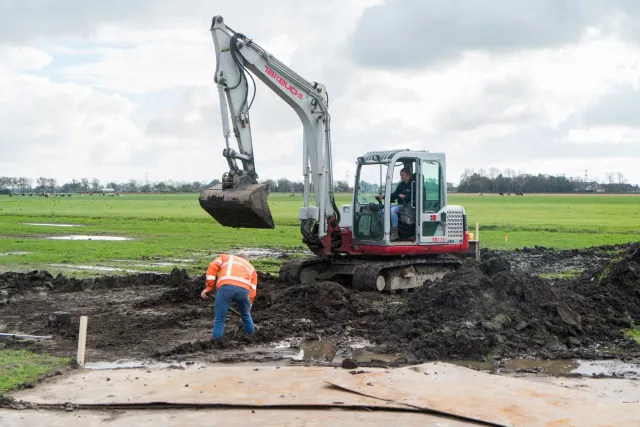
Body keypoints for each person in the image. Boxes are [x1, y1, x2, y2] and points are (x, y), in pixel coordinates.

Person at [200, 254, 257, 340]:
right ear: (246, 260)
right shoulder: (251, 268)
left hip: (225, 288)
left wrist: (209, 287)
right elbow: (252, 291)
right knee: (246, 316)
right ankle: (252, 339)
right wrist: (248, 308)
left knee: (220, 318)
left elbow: (212, 266)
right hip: (244, 291)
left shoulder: (226, 257)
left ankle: (217, 342)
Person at [375, 167, 413, 241]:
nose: (401, 177)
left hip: (408, 206)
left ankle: (395, 233)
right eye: (400, 175)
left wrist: (406, 196)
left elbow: (415, 196)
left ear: (408, 175)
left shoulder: (413, 185)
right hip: (400, 205)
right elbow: (394, 195)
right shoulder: (401, 185)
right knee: (384, 209)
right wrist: (383, 197)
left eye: (403, 175)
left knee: (393, 210)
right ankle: (384, 230)